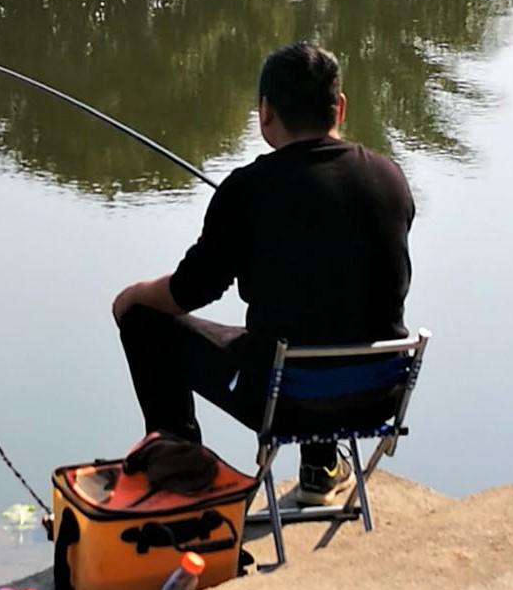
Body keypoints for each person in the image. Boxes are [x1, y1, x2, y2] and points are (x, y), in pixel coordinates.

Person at [112, 42, 415, 505]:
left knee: (143, 318)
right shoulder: (390, 177)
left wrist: (134, 293)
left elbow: (188, 292)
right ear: (341, 108)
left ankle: (181, 470)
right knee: (321, 319)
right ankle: (322, 467)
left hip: (283, 398)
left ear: (265, 112)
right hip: (377, 392)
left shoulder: (247, 190)